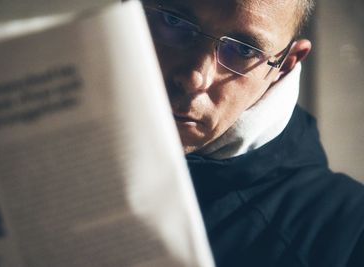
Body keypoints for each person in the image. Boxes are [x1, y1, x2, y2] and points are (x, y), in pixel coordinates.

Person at [141, 0, 364, 266]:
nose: (195, 78)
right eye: (173, 21)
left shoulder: (348, 237)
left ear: (285, 65)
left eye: (244, 50)